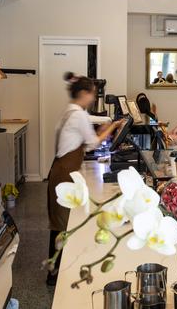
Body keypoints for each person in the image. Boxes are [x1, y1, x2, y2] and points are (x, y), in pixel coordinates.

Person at [46, 72, 121, 286]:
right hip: (64, 173)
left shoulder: (71, 110)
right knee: (61, 223)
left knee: (60, 223)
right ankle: (54, 273)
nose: (93, 98)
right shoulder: (77, 114)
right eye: (92, 94)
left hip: (60, 170)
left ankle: (55, 269)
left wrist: (107, 121)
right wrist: (113, 127)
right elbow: (92, 143)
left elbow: (89, 122)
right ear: (83, 93)